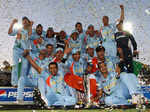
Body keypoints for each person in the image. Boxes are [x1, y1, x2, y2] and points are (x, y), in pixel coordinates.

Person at [8, 17, 33, 86]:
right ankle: (14, 83)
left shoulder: (30, 30)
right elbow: (9, 33)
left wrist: (30, 26)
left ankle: (22, 82)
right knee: (15, 65)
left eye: (26, 21)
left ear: (28, 22)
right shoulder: (19, 29)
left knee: (24, 67)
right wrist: (12, 23)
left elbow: (30, 36)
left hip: (25, 51)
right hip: (16, 49)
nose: (24, 23)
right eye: (23, 22)